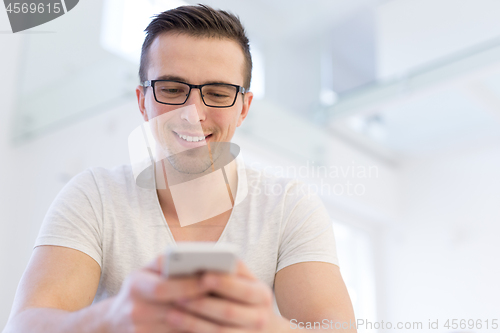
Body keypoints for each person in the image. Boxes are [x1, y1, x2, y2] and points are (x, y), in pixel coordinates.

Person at [4, 4, 356, 333]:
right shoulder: (95, 196)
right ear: (143, 102)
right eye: (172, 89)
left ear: (244, 108)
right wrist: (112, 316)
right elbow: (24, 323)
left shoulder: (288, 207)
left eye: (217, 94)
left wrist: (266, 325)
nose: (192, 113)